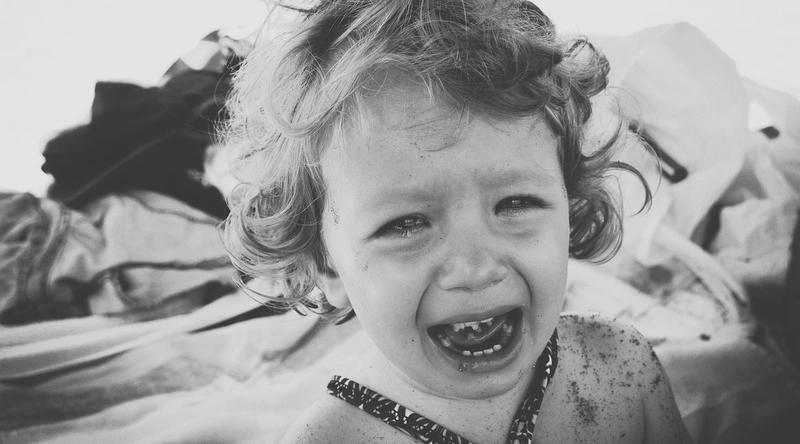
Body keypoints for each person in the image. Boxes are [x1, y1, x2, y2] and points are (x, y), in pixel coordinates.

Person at [222, 1, 694, 442]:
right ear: (326, 264)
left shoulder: (619, 364)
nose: (476, 268)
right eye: (406, 224)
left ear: (569, 207)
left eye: (514, 203)